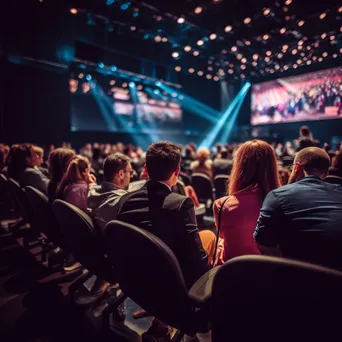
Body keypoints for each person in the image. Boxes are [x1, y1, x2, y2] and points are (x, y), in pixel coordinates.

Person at [114, 141, 215, 289]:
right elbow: (196, 260)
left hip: (138, 278)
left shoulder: (124, 200)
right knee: (210, 236)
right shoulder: (181, 204)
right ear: (177, 171)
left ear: (146, 169)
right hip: (173, 280)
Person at [254, 147, 342, 270]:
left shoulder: (277, 195)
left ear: (297, 167)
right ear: (326, 174)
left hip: (299, 278)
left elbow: (263, 243)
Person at [213, 140, 281, 264]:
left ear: (239, 166)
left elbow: (223, 238)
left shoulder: (221, 205)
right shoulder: (283, 205)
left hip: (232, 272)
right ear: (272, 166)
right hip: (269, 274)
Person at [87, 153, 132, 231]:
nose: (131, 176)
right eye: (130, 172)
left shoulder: (91, 191)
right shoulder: (123, 201)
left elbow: (93, 186)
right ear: (121, 174)